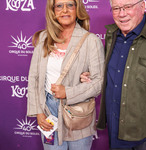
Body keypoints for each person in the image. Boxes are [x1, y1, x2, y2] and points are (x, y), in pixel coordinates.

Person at [80, 0, 146, 149]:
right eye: (116, 8)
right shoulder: (111, 35)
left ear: (143, 6)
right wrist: (91, 76)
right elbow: (110, 72)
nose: (122, 14)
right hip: (115, 131)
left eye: (128, 7)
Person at [27, 0, 104, 149]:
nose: (65, 10)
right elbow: (34, 78)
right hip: (48, 112)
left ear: (77, 9)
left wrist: (67, 92)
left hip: (78, 113)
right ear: (53, 11)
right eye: (59, 6)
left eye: (70, 5)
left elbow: (98, 82)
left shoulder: (91, 41)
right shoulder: (44, 38)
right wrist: (38, 112)